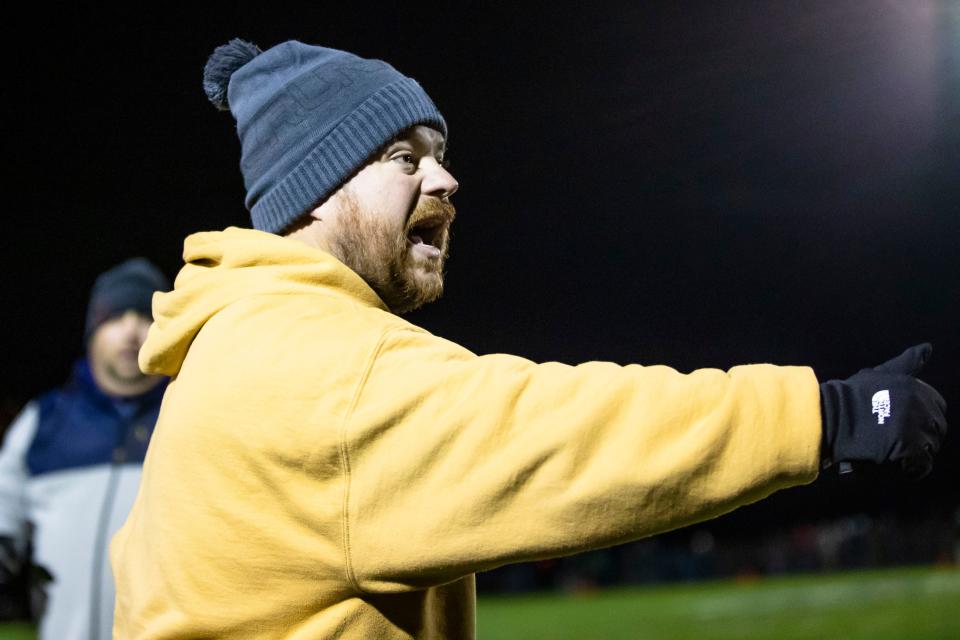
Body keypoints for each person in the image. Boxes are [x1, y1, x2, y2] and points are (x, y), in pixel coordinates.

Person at [110, 39, 948, 639]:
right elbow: (558, 432)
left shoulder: (225, 345)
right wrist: (825, 415)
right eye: (404, 158)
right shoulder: (315, 369)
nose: (444, 178)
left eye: (439, 155)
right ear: (316, 192)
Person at [0, 258, 169, 640]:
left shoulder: (190, 415)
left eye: (145, 316)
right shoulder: (42, 419)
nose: (130, 330)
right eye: (115, 317)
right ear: (92, 331)